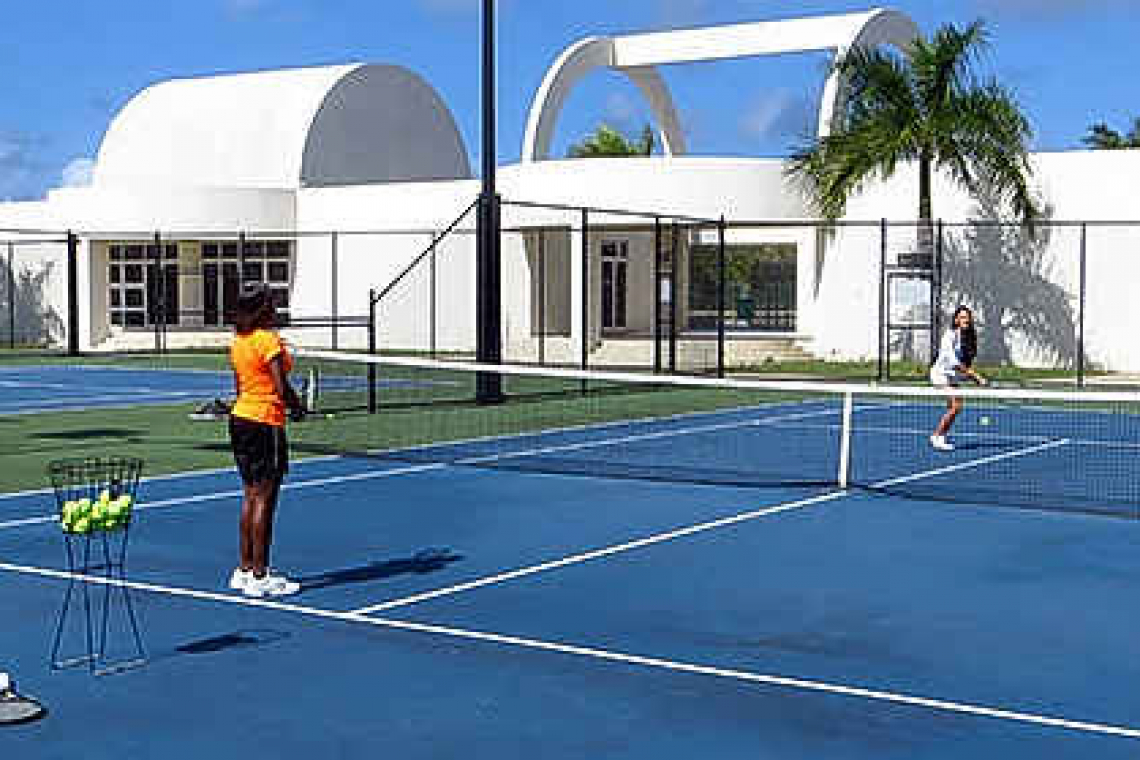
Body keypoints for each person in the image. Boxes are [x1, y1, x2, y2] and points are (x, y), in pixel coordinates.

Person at [227, 284, 306, 597]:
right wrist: (297, 407)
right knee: (265, 499)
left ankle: (245, 569)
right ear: (262, 310)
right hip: (264, 422)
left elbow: (240, 385)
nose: (276, 309)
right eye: (272, 304)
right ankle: (260, 576)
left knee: (250, 495)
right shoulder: (268, 341)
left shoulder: (239, 342)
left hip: (241, 418)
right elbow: (279, 384)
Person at [929, 305, 987, 451]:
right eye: (962, 317)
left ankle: (940, 435)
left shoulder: (968, 338)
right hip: (940, 375)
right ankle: (937, 436)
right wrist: (975, 376)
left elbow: (964, 364)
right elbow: (953, 362)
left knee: (955, 407)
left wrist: (973, 378)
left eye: (967, 317)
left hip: (952, 377)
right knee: (956, 406)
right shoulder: (950, 336)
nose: (965, 320)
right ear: (956, 319)